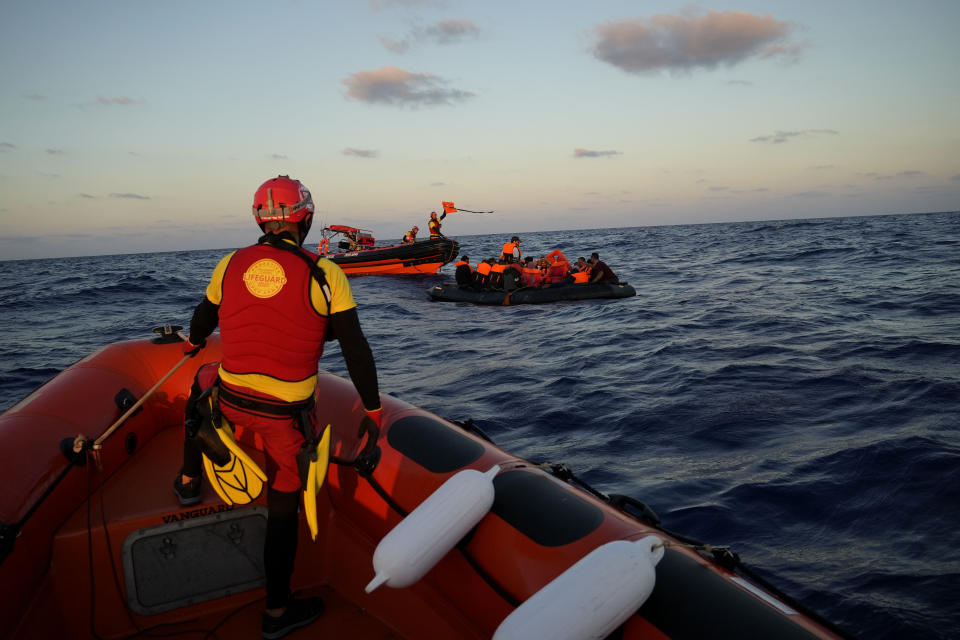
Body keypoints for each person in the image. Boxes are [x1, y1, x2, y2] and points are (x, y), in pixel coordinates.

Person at [174, 175, 382, 639]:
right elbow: (355, 349)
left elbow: (203, 318)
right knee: (282, 509)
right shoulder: (325, 273)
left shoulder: (230, 264)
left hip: (229, 397)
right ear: (305, 219)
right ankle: (275, 614)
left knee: (199, 384)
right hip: (284, 418)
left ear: (259, 220)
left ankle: (189, 480)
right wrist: (373, 411)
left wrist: (192, 343)